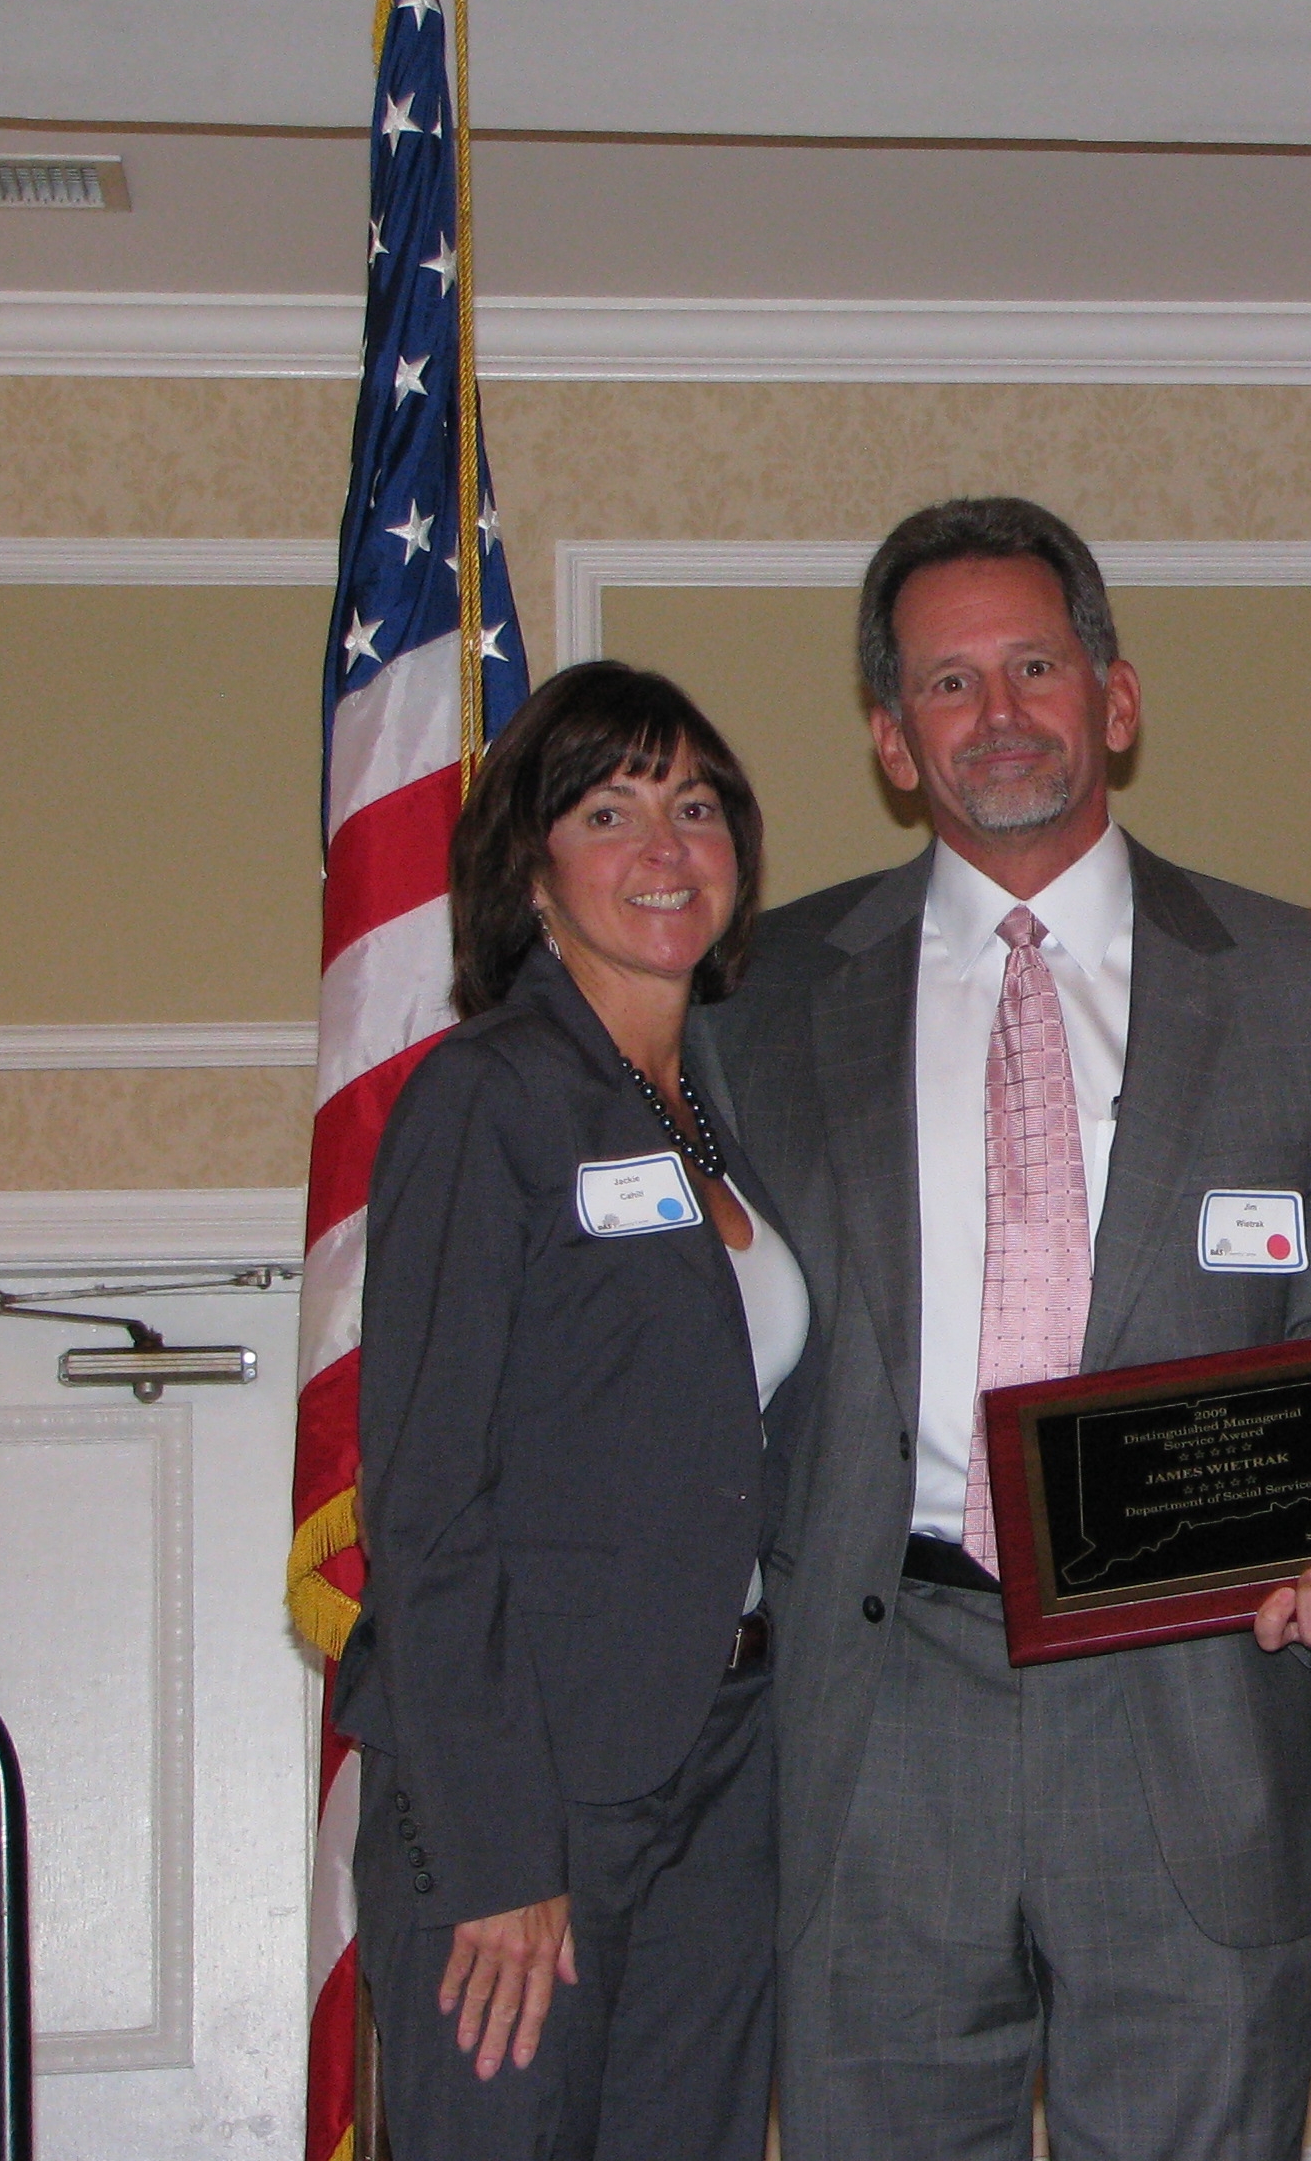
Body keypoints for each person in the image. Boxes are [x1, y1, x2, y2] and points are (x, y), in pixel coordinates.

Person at [697, 496, 1311, 2161]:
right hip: (882, 1713)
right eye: (947, 685)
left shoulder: (1303, 985)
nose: (998, 714)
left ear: (1116, 696)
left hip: (1195, 1699)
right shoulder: (761, 999)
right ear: (891, 740)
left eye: (1034, 664)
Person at [340, 660, 801, 2161]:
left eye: (695, 806)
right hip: (526, 1785)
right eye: (610, 811)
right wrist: (494, 1853)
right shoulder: (490, 1097)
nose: (666, 848)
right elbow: (423, 1500)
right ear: (531, 869)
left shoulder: (730, 1110)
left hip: (731, 1766)